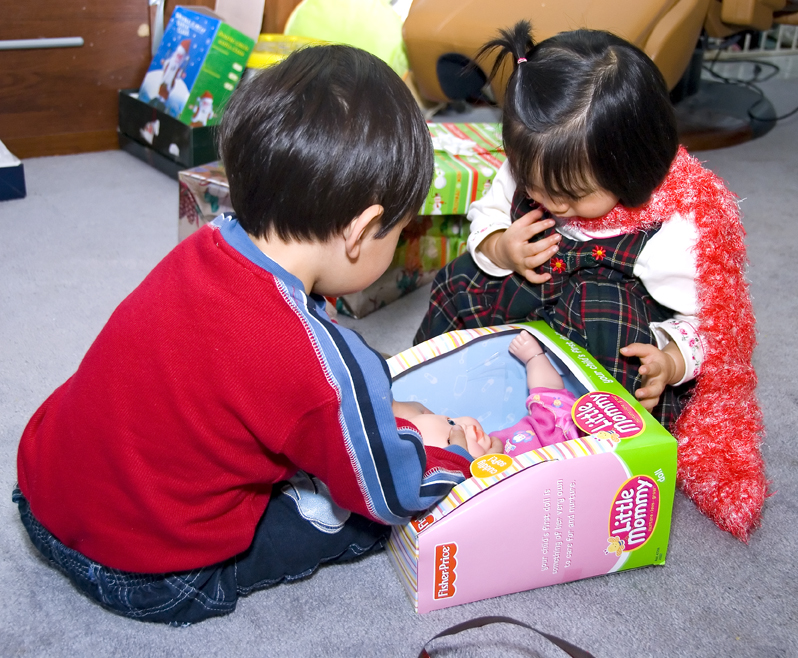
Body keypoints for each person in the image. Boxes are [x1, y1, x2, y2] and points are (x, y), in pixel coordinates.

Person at [13, 45, 475, 625]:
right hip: (146, 574)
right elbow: (391, 490)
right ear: (361, 232)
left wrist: (378, 402)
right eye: (400, 232)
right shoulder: (318, 364)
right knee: (354, 520)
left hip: (41, 494)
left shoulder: (204, 245)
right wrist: (454, 454)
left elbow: (256, 378)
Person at [413, 21, 766, 540]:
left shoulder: (665, 232)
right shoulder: (531, 165)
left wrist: (670, 359)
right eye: (535, 184)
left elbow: (709, 321)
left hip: (598, 326)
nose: (552, 204)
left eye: (573, 195)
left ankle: (575, 461)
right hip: (525, 297)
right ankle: (413, 393)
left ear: (631, 170)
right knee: (459, 280)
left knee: (613, 335)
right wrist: (502, 247)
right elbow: (485, 220)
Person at [490, 331, 581, 456]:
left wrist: (534, 357)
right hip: (580, 456)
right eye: (452, 441)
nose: (458, 429)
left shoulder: (492, 440)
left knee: (548, 401)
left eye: (452, 421)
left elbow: (548, 394)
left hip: (571, 427)